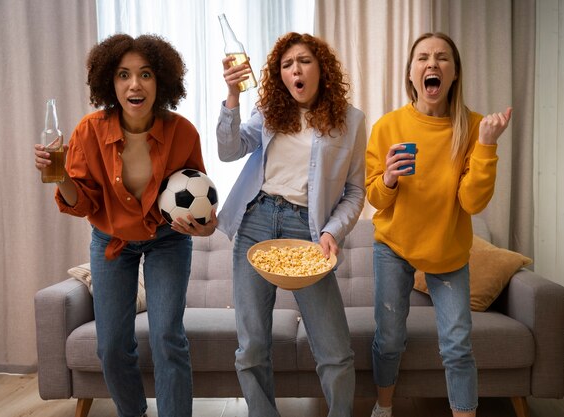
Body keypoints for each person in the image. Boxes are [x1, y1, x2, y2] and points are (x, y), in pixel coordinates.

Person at [33, 34, 216, 417]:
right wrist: (61, 175)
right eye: (124, 75)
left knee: (168, 336)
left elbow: (200, 198)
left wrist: (206, 226)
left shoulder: (182, 131)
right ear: (110, 83)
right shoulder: (89, 131)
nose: (135, 84)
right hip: (112, 239)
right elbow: (82, 203)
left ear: (160, 82)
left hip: (168, 240)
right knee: (112, 345)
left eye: (146, 74)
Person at [216, 32, 366, 417]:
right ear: (279, 75)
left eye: (303, 61)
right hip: (256, 221)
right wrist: (233, 97)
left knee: (335, 349)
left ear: (322, 69)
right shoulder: (268, 111)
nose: (295, 70)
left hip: (308, 232)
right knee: (251, 347)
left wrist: (333, 231)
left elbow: (354, 191)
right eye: (286, 65)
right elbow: (229, 150)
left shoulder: (350, 120)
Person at [365, 32, 512, 417]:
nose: (432, 64)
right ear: (412, 74)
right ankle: (384, 407)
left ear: (454, 73)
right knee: (390, 339)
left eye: (442, 58)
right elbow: (374, 198)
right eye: (423, 58)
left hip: (447, 249)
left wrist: (488, 146)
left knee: (458, 344)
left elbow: (472, 202)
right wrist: (389, 180)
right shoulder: (388, 127)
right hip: (393, 246)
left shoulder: (475, 127)